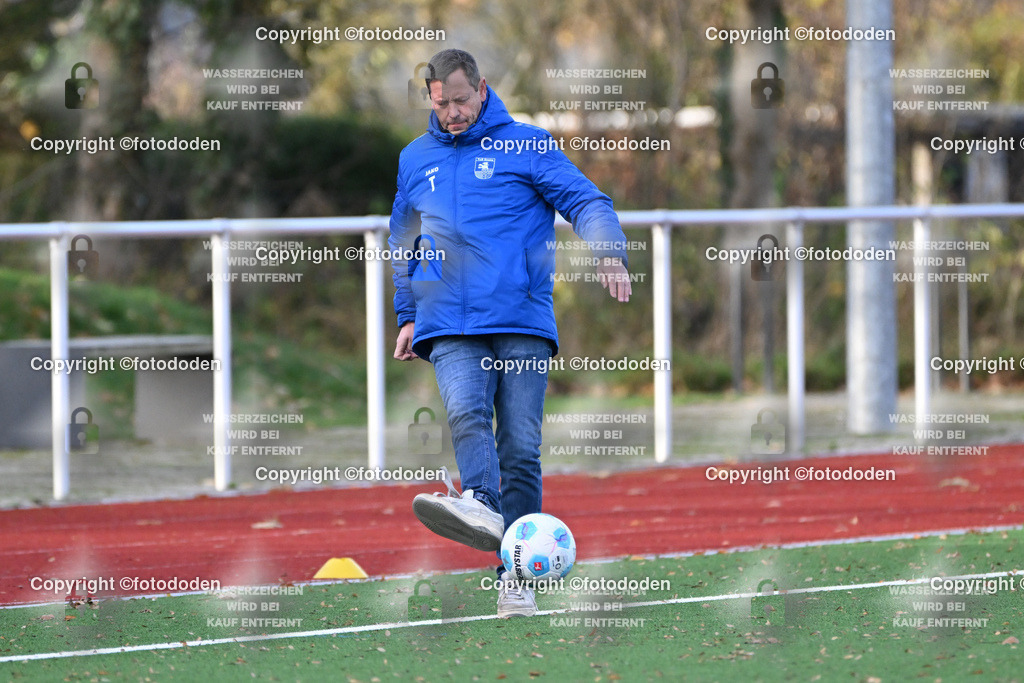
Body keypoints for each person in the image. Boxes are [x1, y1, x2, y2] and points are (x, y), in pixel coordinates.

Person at [390, 48, 632, 617]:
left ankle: (516, 577)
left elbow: (586, 199)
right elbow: (403, 237)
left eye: (460, 101)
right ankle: (477, 498)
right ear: (431, 98)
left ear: (481, 89)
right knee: (468, 413)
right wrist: (406, 312)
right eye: (441, 103)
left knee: (520, 450)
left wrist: (608, 252)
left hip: (520, 318)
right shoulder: (413, 158)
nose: (451, 112)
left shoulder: (528, 144)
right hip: (446, 319)